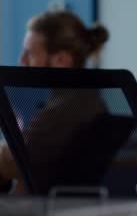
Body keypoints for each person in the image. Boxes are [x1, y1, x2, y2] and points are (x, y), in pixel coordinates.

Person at [0, 10, 109, 192]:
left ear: (61, 60)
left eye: (30, 54)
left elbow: (15, 158)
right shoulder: (84, 100)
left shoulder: (67, 109)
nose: (22, 60)